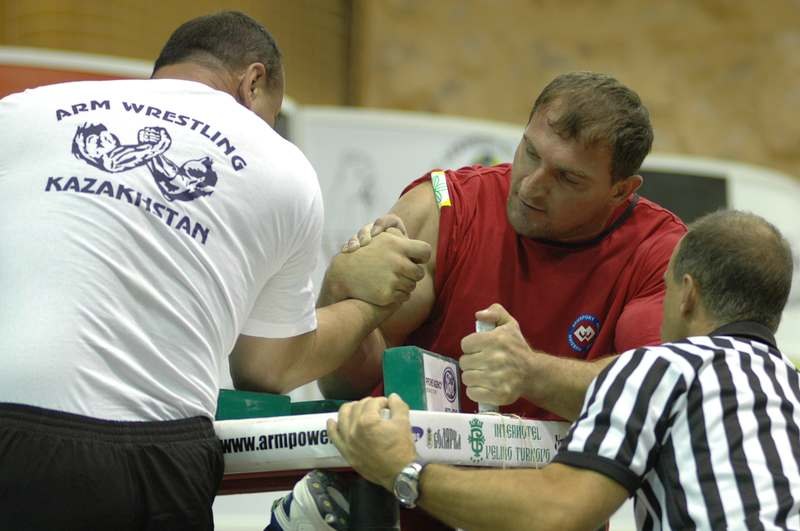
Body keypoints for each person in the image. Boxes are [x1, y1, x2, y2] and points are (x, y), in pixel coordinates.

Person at [0, 11, 429, 530]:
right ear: (254, 82)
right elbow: (267, 368)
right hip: (147, 451)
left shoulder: (23, 111)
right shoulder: (280, 163)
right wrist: (370, 305)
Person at [329, 209, 800, 530]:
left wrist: (403, 469)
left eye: (666, 287)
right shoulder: (790, 386)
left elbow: (555, 512)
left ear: (689, 294)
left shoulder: (662, 367)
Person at [319, 71, 687, 423]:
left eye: (568, 177)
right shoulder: (444, 211)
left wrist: (531, 373)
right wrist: (337, 288)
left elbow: (659, 394)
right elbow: (343, 386)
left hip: (561, 485)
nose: (530, 186)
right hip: (405, 474)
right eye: (530, 152)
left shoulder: (660, 252)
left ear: (620, 190)